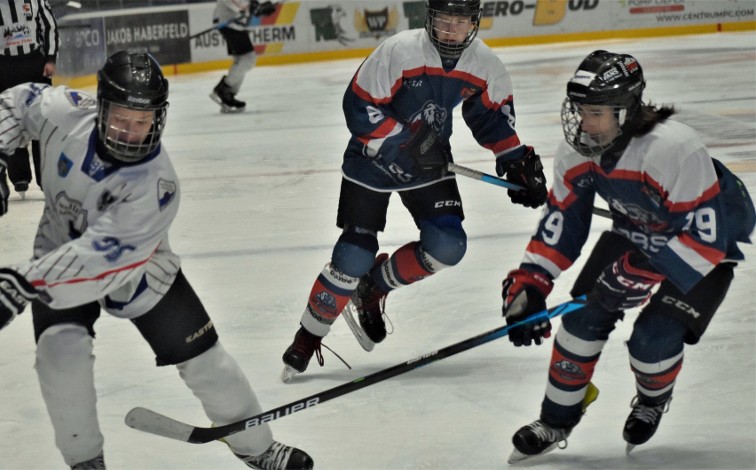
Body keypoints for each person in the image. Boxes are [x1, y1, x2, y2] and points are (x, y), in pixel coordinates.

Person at [0, 51, 314, 470]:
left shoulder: (156, 185)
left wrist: (20, 284)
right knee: (60, 359)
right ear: (102, 108)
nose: (131, 132)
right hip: (56, 249)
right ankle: (86, 462)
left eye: (142, 121)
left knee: (208, 363)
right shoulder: (67, 114)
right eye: (122, 119)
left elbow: (99, 260)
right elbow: (17, 100)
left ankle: (257, 447)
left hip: (139, 270)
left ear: (158, 119)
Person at [499, 50, 755, 462]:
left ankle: (652, 400)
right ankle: (555, 418)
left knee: (652, 341)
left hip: (707, 244)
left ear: (626, 110)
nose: (584, 122)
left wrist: (636, 270)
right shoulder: (579, 151)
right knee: (581, 319)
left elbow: (707, 240)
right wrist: (532, 280)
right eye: (580, 110)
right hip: (637, 231)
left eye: (596, 112)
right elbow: (562, 224)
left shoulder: (675, 149)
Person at [280, 0, 548, 381]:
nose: (452, 30)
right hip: (372, 158)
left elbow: (490, 116)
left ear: (473, 23)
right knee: (354, 254)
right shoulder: (400, 51)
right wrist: (406, 141)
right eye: (445, 20)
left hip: (430, 161)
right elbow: (358, 107)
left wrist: (516, 159)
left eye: (460, 21)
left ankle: (373, 287)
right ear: (430, 18)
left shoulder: (484, 64)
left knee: (448, 245)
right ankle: (309, 334)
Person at [0, 0, 58, 196]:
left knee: (42, 120)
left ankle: (47, 177)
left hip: (33, 64)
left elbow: (49, 26)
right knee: (8, 121)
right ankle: (19, 176)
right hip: (3, 67)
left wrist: (50, 58)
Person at [209, 0, 276, 113]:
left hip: (233, 23)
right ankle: (223, 89)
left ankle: (228, 94)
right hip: (228, 22)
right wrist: (253, 7)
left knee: (241, 59)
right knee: (248, 59)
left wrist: (260, 6)